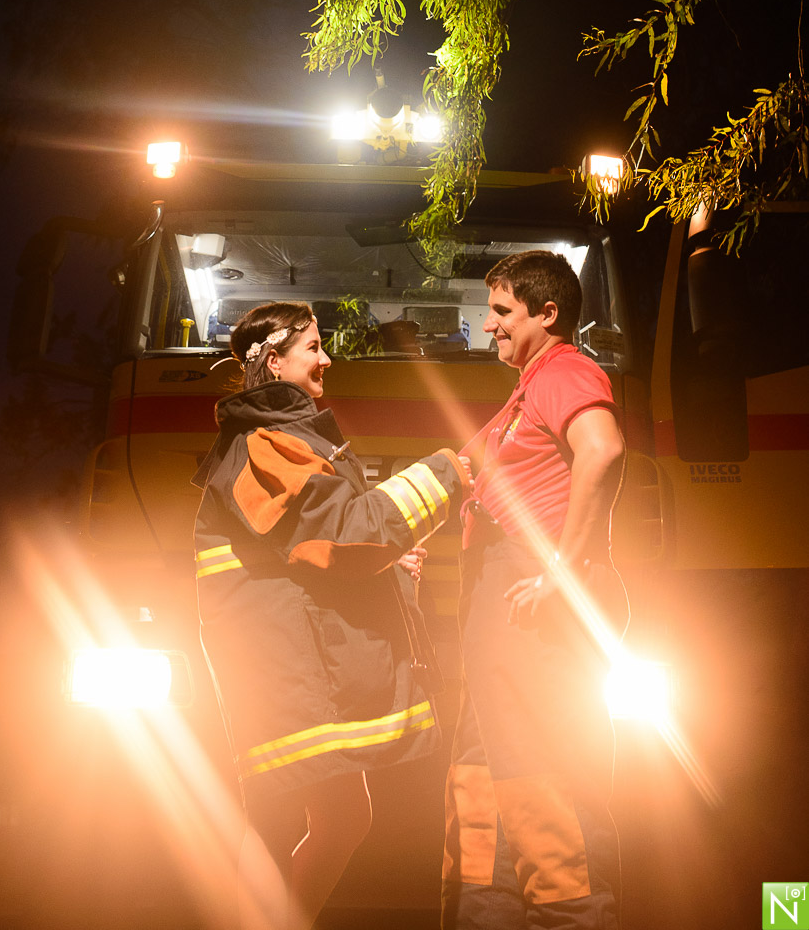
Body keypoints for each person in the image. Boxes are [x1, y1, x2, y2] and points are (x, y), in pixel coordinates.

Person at [192, 301, 470, 930]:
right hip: (276, 662)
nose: (326, 360)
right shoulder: (264, 444)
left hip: (290, 653)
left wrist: (390, 566)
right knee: (274, 819)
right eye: (313, 348)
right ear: (273, 361)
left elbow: (312, 552)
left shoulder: (282, 436)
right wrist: (446, 474)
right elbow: (343, 532)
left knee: (345, 818)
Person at [441, 251, 628, 930]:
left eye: (502, 311)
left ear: (548, 314)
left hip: (528, 618)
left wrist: (560, 572)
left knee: (544, 792)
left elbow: (603, 449)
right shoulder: (527, 390)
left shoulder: (564, 370)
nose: (488, 324)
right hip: (501, 620)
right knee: (486, 788)